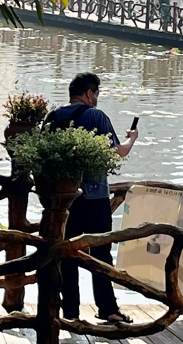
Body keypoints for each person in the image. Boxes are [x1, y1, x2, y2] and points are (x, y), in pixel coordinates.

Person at [46, 72, 133, 321]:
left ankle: (70, 311)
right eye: (96, 93)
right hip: (94, 198)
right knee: (101, 253)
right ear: (89, 93)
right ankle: (108, 309)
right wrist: (131, 139)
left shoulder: (53, 116)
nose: (96, 98)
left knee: (67, 253)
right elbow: (117, 152)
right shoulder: (96, 116)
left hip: (64, 199)